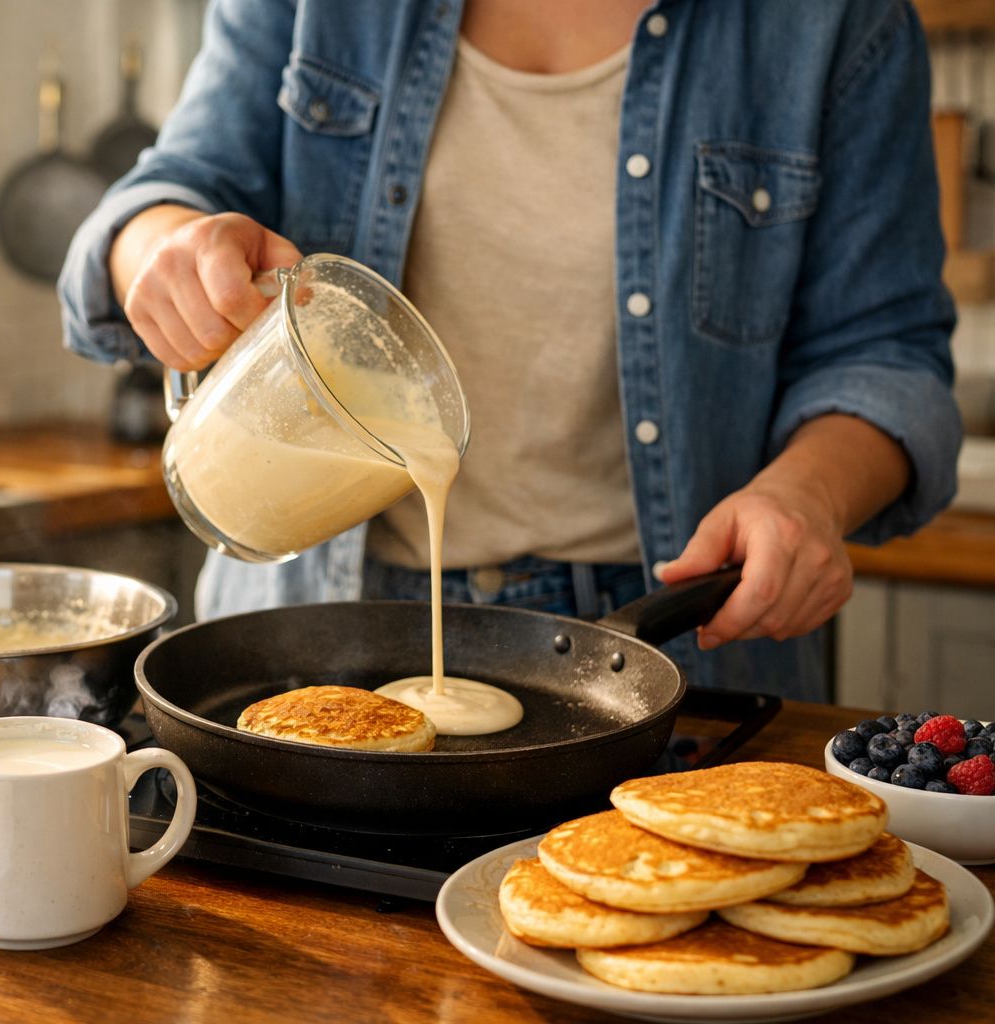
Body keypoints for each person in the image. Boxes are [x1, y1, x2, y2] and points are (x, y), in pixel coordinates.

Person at [58, 0, 962, 701]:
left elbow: (885, 351)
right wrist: (167, 247)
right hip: (315, 624)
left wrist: (807, 494)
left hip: (667, 631)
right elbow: (167, 193)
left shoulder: (827, 22)